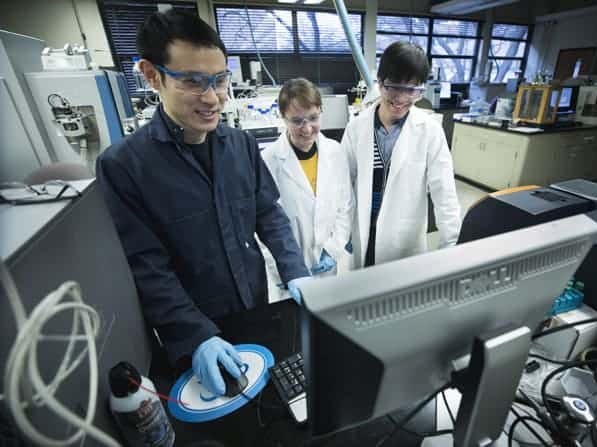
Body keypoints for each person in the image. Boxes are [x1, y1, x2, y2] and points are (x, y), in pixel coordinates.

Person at [96, 9, 309, 397]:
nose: (213, 98)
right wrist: (195, 336)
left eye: (220, 80)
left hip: (255, 308)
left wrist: (296, 270)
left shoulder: (241, 146)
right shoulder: (125, 166)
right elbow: (146, 266)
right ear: (151, 75)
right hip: (192, 328)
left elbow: (269, 215)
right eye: (194, 82)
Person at [341, 41, 461, 268]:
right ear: (380, 82)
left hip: (404, 239)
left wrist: (450, 244)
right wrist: (341, 233)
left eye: (412, 90)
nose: (401, 98)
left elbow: (444, 192)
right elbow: (343, 185)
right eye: (394, 87)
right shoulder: (357, 128)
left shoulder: (430, 131)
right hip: (363, 231)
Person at [261, 78, 353, 293]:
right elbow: (262, 225)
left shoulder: (335, 151)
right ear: (283, 117)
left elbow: (346, 206)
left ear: (321, 111)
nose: (307, 128)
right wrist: (282, 269)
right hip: (288, 275)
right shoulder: (268, 160)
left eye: (313, 118)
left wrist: (333, 249)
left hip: (328, 267)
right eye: (297, 121)